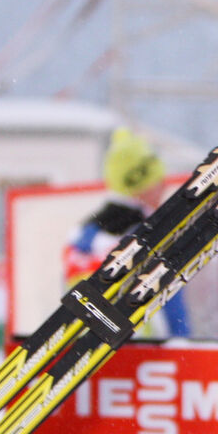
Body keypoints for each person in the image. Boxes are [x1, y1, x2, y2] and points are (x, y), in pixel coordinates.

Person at [64, 127, 191, 338]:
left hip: (87, 350)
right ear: (138, 181)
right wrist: (182, 342)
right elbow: (172, 307)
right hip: (145, 348)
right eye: (157, 180)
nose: (164, 186)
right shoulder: (150, 232)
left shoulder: (83, 232)